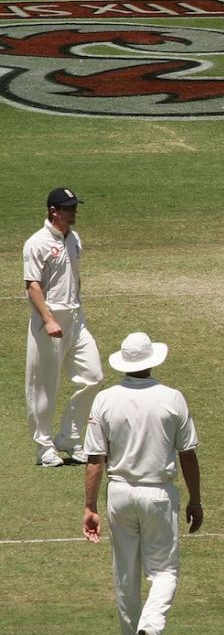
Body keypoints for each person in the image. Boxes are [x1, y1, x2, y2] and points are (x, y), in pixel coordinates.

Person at [82, 332, 202, 635]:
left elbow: (94, 459)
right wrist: (196, 499)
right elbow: (188, 454)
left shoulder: (105, 400)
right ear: (151, 362)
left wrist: (90, 507)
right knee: (164, 572)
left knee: (125, 576)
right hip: (158, 494)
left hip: (119, 493)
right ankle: (150, 627)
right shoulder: (172, 398)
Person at [23, 187, 104, 466]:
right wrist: (48, 319)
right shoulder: (37, 243)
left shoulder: (74, 238)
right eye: (68, 208)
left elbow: (74, 277)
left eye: (74, 207)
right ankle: (44, 448)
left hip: (76, 319)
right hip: (49, 321)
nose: (74, 212)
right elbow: (32, 285)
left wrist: (77, 306)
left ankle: (69, 437)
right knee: (43, 387)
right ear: (53, 211)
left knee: (94, 376)